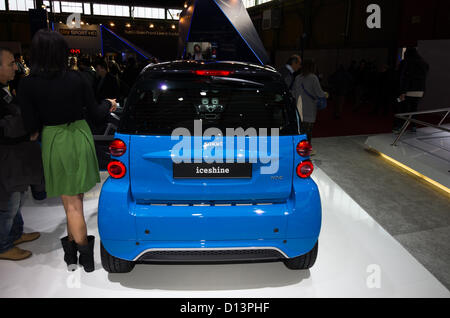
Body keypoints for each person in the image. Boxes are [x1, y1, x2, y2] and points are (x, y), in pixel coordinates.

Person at [17, 30, 117, 272]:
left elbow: (30, 127)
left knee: (71, 203)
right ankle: (75, 254)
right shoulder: (78, 78)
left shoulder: (28, 84)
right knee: (76, 200)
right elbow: (95, 113)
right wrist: (109, 104)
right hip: (80, 136)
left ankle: (80, 259)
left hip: (55, 140)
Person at [0, 47, 42, 261]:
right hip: (7, 160)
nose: (15, 67)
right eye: (10, 64)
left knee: (17, 198)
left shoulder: (6, 90)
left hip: (16, 158)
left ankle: (15, 235)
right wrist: (27, 133)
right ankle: (3, 245)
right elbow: (5, 129)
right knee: (8, 203)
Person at [292, 59, 327, 150]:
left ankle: (298, 149)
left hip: (299, 109)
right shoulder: (313, 78)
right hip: (309, 109)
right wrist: (326, 94)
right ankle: (306, 150)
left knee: (300, 131)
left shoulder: (298, 77)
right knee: (308, 132)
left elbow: (293, 93)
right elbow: (319, 93)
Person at [394, 48, 429, 133]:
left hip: (408, 91)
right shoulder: (424, 63)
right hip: (420, 91)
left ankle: (399, 127)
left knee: (402, 109)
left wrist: (402, 92)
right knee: (414, 109)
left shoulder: (407, 63)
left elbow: (405, 78)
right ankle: (413, 126)